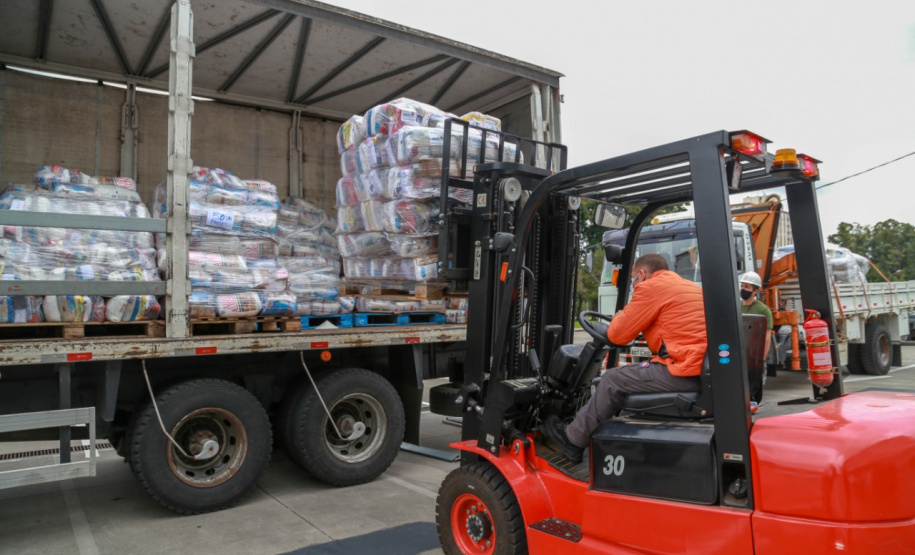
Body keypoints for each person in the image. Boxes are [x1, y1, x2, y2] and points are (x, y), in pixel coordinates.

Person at [542, 253, 708, 462]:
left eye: (632, 279)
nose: (633, 284)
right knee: (627, 382)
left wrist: (619, 318)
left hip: (683, 370)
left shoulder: (651, 287)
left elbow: (617, 334)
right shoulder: (687, 287)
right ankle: (612, 444)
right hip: (698, 369)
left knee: (612, 379)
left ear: (641, 274)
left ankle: (572, 440)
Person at [739, 271, 773, 356]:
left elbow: (767, 338)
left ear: (755, 291)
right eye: (742, 286)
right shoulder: (735, 306)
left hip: (753, 354)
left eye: (747, 287)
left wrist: (762, 360)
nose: (743, 289)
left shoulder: (763, 310)